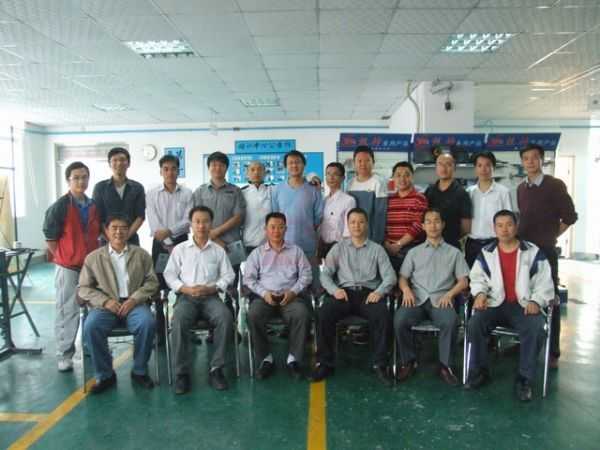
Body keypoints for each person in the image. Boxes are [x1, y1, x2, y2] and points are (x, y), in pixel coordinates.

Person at [466, 210, 555, 401]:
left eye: (509, 224)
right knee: (475, 323)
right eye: (500, 225)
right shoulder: (487, 252)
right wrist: (480, 294)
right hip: (494, 303)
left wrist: (536, 301)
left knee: (535, 328)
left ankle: (524, 379)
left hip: (523, 305)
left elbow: (544, 282)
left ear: (516, 226)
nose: (504, 229)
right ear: (494, 228)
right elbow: (477, 278)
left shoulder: (533, 252)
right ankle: (480, 371)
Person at [311, 207, 397, 386]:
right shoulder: (338, 248)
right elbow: (325, 275)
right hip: (344, 293)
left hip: (368, 294)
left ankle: (380, 364)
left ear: (367, 224)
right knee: (324, 313)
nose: (357, 226)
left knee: (383, 315)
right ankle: (325, 363)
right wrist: (334, 290)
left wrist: (379, 292)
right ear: (348, 225)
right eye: (353, 222)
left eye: (361, 222)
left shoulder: (377, 250)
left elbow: (390, 277)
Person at [79, 215, 159, 394]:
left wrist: (134, 299)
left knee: (147, 323)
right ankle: (105, 374)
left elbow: (152, 282)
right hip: (105, 306)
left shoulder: (141, 255)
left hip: (134, 304)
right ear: (106, 231)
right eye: (114, 227)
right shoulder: (93, 258)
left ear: (129, 231)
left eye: (123, 228)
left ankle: (139, 371)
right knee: (91, 326)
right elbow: (83, 288)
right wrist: (105, 301)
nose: (118, 232)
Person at [517, 143, 577, 368]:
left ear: (542, 160)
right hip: (524, 252)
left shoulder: (554, 185)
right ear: (522, 162)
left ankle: (553, 351)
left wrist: (552, 235)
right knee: (524, 294)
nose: (530, 162)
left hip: (545, 251)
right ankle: (525, 341)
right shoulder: (521, 188)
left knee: (550, 299)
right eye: (526, 158)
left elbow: (570, 217)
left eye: (534, 158)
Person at [164, 206, 235, 394]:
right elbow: (169, 275)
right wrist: (185, 288)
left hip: (211, 297)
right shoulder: (180, 250)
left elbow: (229, 275)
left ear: (211, 224)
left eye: (205, 221)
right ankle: (181, 373)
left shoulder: (218, 250)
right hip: (186, 297)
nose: (201, 226)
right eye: (197, 221)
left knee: (225, 317)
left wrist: (213, 287)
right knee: (178, 320)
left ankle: (216, 369)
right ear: (191, 224)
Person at [394, 208, 469, 386]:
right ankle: (408, 361)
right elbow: (403, 277)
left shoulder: (454, 253)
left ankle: (445, 366)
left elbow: (463, 281)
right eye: (428, 221)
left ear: (442, 225)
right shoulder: (414, 252)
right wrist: (406, 289)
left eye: (436, 221)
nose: (433, 225)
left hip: (441, 300)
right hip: (416, 299)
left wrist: (450, 294)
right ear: (423, 226)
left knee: (450, 321)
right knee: (400, 320)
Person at [43, 161, 101, 372]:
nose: (81, 181)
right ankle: (64, 354)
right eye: (76, 177)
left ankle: (91, 346)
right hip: (68, 268)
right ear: (68, 180)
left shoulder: (93, 205)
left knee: (94, 307)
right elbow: (50, 237)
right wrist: (65, 257)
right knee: (67, 310)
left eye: (84, 177)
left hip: (90, 267)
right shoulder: (60, 206)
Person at [244, 212, 312, 380]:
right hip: (264, 298)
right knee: (253, 314)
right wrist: (264, 293)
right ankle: (266, 359)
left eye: (280, 227)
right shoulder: (257, 253)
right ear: (266, 229)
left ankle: (293, 359)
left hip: (290, 297)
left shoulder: (296, 251)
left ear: (286, 229)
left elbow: (306, 275)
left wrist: (293, 291)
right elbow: (248, 279)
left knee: (302, 314)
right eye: (272, 227)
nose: (276, 231)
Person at [145, 154, 193, 344]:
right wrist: (166, 241)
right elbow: (153, 220)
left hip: (182, 243)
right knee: (158, 287)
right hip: (159, 245)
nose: (170, 172)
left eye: (173, 168)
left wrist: (170, 234)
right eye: (166, 169)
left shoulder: (187, 193)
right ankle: (160, 331)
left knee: (183, 285)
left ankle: (185, 329)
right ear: (161, 171)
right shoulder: (151, 194)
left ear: (178, 171)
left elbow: (188, 220)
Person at [271, 150, 324, 291]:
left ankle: (314, 303)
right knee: (288, 283)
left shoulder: (313, 189)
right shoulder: (277, 189)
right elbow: (274, 217)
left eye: (297, 162)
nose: (294, 165)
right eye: (290, 163)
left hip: (308, 245)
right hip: (284, 245)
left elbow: (318, 216)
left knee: (311, 283)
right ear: (285, 166)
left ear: (304, 165)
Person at [465, 151, 512, 267]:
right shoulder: (469, 192)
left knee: (496, 276)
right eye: (479, 165)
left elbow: (510, 221)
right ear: (475, 168)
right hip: (472, 244)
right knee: (473, 276)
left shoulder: (503, 192)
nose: (483, 169)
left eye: (487, 165)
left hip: (495, 243)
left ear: (493, 168)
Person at [93, 147, 145, 245]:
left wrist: (125, 237)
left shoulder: (137, 187)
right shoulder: (100, 187)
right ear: (109, 164)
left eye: (122, 160)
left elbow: (140, 216)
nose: (119, 163)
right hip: (107, 241)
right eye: (115, 160)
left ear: (128, 163)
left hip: (131, 240)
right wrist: (112, 238)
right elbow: (97, 216)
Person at [384, 162, 428, 272]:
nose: (402, 179)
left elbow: (418, 225)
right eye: (398, 175)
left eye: (406, 175)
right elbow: (383, 223)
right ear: (393, 178)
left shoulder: (419, 198)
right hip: (389, 249)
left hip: (411, 250)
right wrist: (387, 244)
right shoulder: (389, 199)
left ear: (412, 177)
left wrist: (398, 244)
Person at [424, 152, 472, 250]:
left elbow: (466, 227)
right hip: (430, 244)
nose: (444, 168)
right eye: (440, 164)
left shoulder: (462, 193)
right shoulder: (429, 191)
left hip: (451, 245)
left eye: (448, 164)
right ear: (436, 167)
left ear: (454, 168)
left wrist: (451, 237)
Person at [346, 145, 387, 244]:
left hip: (371, 238)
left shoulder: (378, 182)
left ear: (373, 162)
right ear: (354, 163)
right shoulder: (350, 184)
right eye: (359, 161)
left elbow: (380, 215)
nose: (363, 164)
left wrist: (377, 240)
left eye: (367, 161)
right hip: (353, 237)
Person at [318, 162, 356, 259]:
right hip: (324, 247)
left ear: (343, 178)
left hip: (340, 248)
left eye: (335, 174)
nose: (331, 177)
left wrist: (343, 250)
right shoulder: (324, 200)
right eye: (328, 174)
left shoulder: (348, 200)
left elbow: (348, 230)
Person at [241, 161, 272, 255]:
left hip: (270, 243)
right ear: (247, 173)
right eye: (252, 170)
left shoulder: (272, 190)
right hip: (248, 243)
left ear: (265, 173)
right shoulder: (241, 193)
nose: (256, 172)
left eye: (259, 169)